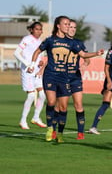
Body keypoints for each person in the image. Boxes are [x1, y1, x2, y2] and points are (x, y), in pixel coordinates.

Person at [28, 15, 104, 143]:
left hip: (64, 78)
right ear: (58, 25)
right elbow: (37, 51)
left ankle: (60, 133)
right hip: (50, 75)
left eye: (69, 25)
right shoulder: (50, 40)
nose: (68, 27)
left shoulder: (72, 43)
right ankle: (50, 128)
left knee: (63, 108)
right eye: (66, 24)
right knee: (51, 102)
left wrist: (96, 53)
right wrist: (32, 65)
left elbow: (83, 54)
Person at [14, 21, 47, 129]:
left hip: (37, 72)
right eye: (37, 29)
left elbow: (40, 56)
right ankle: (23, 120)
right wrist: (27, 64)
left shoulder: (40, 42)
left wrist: (41, 62)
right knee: (31, 95)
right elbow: (16, 53)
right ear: (31, 29)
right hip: (27, 71)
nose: (39, 31)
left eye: (40, 29)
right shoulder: (26, 39)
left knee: (42, 95)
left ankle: (36, 117)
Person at [66, 19, 90, 140]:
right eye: (70, 27)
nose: (72, 29)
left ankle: (80, 133)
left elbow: (87, 59)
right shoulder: (59, 42)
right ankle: (54, 130)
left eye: (74, 27)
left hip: (75, 77)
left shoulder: (79, 43)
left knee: (78, 105)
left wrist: (84, 65)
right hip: (61, 77)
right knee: (60, 106)